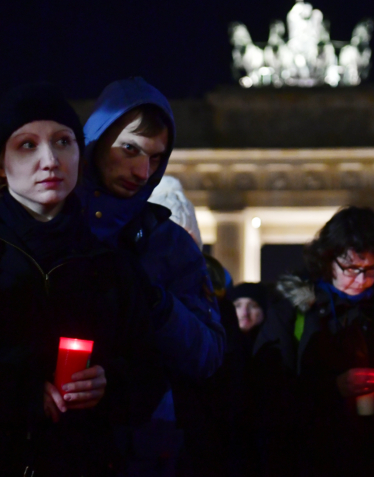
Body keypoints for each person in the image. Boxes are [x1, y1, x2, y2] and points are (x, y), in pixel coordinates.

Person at [0, 83, 164, 475]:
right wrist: (16, 393)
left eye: (63, 142)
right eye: (27, 145)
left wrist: (110, 385)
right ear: (0, 164)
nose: (50, 160)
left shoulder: (112, 264)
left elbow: (149, 372)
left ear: (80, 154)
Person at [77, 77, 224, 476]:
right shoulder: (54, 224)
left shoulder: (170, 245)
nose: (143, 171)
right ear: (94, 139)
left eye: (157, 158)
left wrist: (158, 305)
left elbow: (209, 354)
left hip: (139, 450)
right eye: (130, 149)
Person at [254, 206, 374, 477]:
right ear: (327, 259)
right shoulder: (293, 314)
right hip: (315, 461)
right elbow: (269, 393)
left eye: (371, 268)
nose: (361, 278)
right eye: (351, 267)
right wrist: (332, 388)